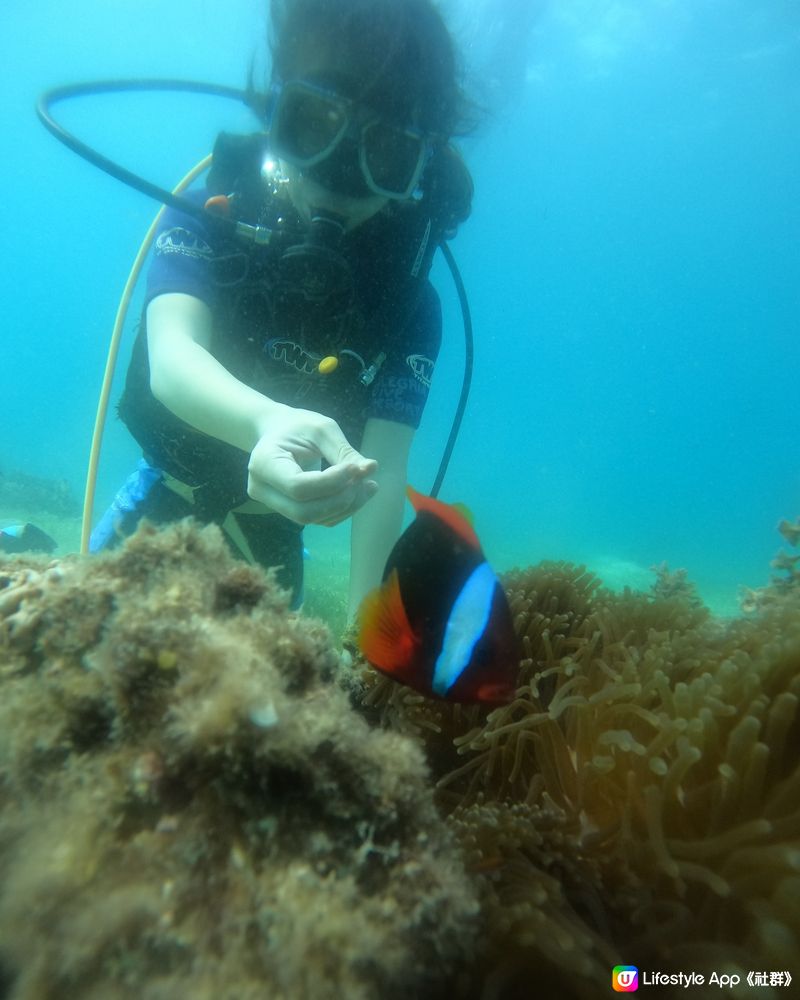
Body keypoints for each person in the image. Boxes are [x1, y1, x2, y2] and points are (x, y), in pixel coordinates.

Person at [95, 0, 474, 616]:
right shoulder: (211, 212)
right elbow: (172, 358)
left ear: (422, 169)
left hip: (271, 534)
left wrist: (364, 643)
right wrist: (264, 424)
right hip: (162, 492)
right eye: (315, 122)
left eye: (385, 154)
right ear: (274, 109)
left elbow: (380, 481)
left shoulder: (410, 305)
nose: (340, 174)